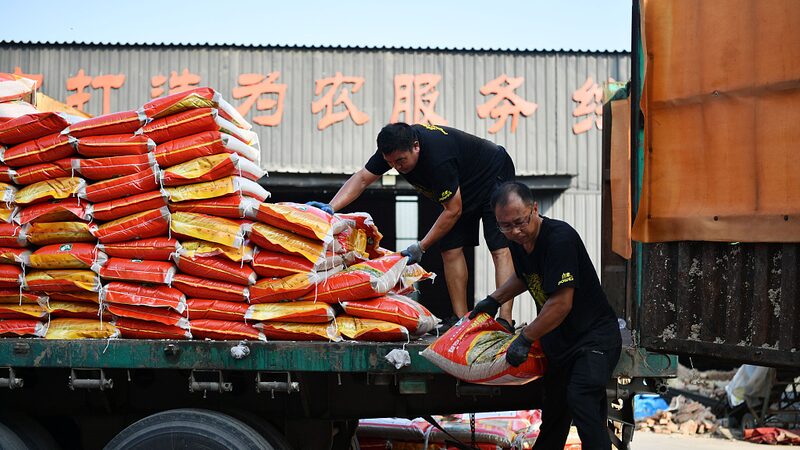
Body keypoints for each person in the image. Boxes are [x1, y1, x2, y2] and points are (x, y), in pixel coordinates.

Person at [308, 122, 517, 331]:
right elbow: (363, 178)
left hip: (492, 173)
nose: (397, 167)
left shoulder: (437, 159)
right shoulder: (393, 149)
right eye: (392, 164)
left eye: (401, 161)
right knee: (450, 248)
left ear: (416, 146)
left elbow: (453, 210)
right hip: (460, 184)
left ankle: (505, 319)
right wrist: (330, 206)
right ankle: (461, 319)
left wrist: (421, 246)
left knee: (498, 248)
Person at [469, 181, 622, 450]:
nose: (515, 231)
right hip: (560, 341)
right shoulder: (519, 241)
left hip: (592, 339)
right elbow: (524, 275)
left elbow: (561, 303)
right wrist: (494, 300)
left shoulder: (559, 239)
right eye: (505, 225)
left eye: (520, 222)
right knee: (554, 411)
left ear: (534, 209)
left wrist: (525, 338)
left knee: (581, 399)